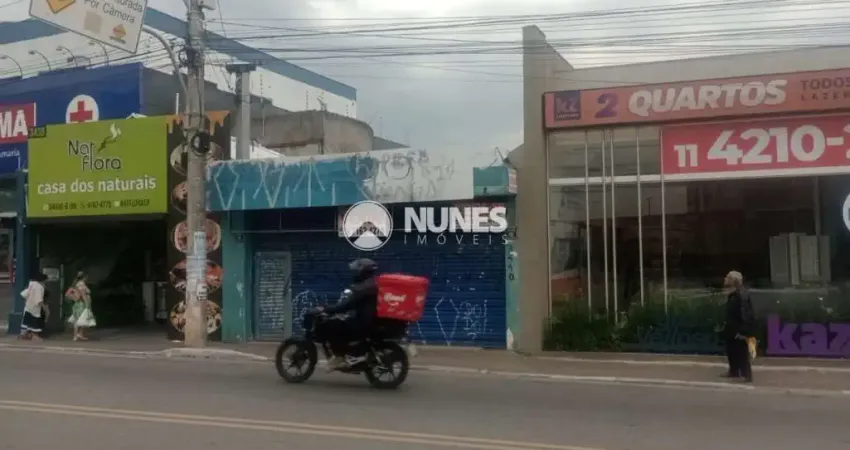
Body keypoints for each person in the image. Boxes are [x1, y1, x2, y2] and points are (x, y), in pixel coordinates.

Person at [316, 258, 379, 370]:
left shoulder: (364, 287)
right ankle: (348, 353)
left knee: (331, 325)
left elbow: (346, 306)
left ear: (363, 271)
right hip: (365, 320)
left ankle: (340, 356)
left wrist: (328, 309)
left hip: (362, 323)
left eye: (357, 270)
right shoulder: (370, 284)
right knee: (339, 323)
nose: (354, 273)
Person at [722, 270, 756, 383]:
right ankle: (734, 370)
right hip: (732, 327)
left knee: (741, 350)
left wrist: (743, 329)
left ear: (734, 281)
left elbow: (745, 312)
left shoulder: (741, 295)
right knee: (731, 349)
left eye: (727, 277)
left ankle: (747, 374)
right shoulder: (734, 294)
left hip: (739, 327)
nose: (725, 279)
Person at [66, 271, 96, 341]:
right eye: (87, 277)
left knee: (79, 319)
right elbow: (83, 294)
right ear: (84, 277)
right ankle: (77, 335)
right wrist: (87, 304)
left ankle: (78, 335)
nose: (88, 278)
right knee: (84, 318)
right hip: (82, 304)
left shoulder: (76, 283)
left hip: (78, 304)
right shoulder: (81, 284)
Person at [20, 272, 48, 341]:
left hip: (28, 305)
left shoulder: (31, 284)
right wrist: (44, 308)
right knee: (35, 321)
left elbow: (24, 294)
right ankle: (35, 335)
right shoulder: (40, 287)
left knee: (27, 320)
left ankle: (25, 334)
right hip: (35, 307)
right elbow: (39, 299)